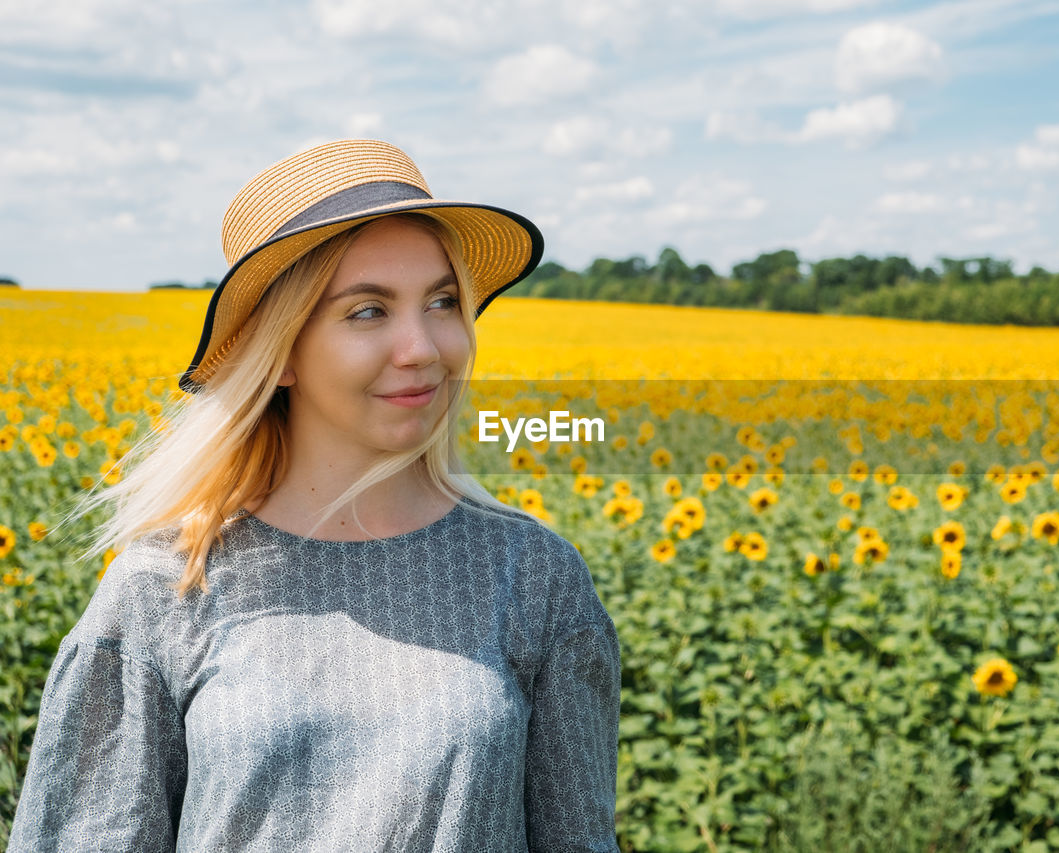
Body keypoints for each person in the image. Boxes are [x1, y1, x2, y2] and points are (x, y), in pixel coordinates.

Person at [9, 139, 622, 852]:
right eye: (368, 311)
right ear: (283, 352)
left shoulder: (535, 577)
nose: (421, 346)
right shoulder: (162, 590)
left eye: (442, 301)